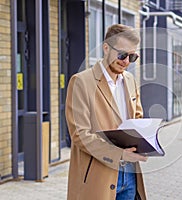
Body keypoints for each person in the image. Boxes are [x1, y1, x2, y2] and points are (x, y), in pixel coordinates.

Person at [65, 24, 148, 200]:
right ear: (106, 48)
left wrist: (146, 139)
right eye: (122, 55)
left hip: (130, 174)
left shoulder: (131, 80)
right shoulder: (81, 82)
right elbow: (80, 135)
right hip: (98, 175)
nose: (126, 61)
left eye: (132, 57)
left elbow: (137, 118)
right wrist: (118, 154)